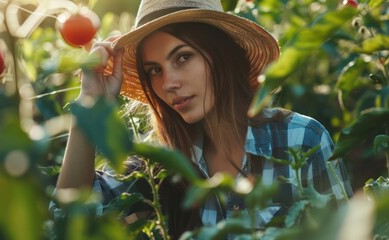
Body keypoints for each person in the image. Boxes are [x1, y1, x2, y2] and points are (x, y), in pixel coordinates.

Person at [51, 0, 353, 239]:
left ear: (221, 54)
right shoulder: (157, 169)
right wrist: (89, 105)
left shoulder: (301, 140)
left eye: (182, 57)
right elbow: (70, 220)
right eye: (154, 70)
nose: (168, 83)